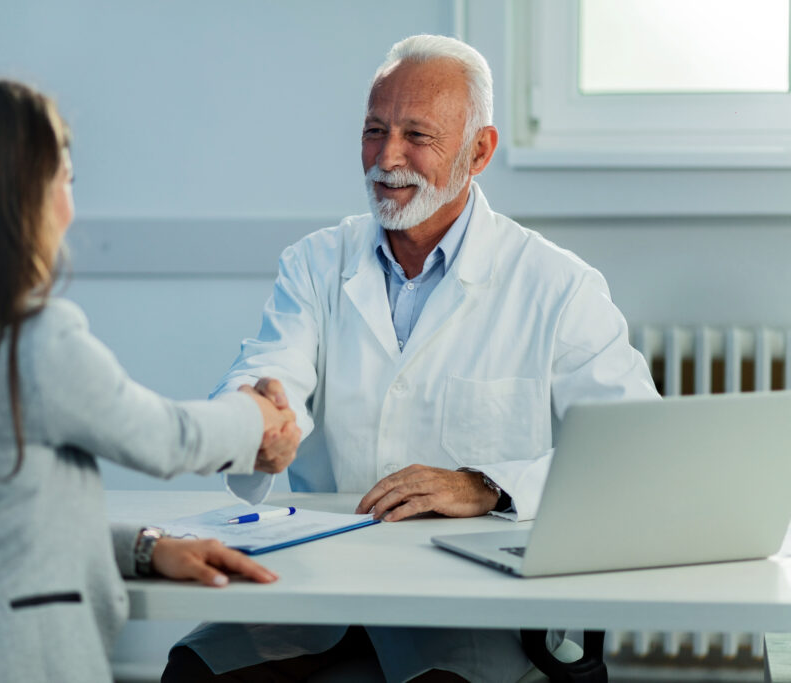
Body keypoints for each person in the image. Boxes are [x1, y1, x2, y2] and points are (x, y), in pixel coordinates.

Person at [163, 34, 659, 683]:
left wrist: (487, 483)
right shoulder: (316, 264)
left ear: (478, 150)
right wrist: (256, 422)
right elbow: (268, 374)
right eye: (374, 130)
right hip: (319, 594)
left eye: (416, 135)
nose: (387, 157)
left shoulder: (557, 286)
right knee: (194, 671)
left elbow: (636, 455)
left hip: (470, 617)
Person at [0, 78, 301, 682]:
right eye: (64, 177)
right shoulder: (31, 343)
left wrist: (142, 549)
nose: (70, 205)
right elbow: (168, 438)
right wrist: (260, 418)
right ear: (11, 200)